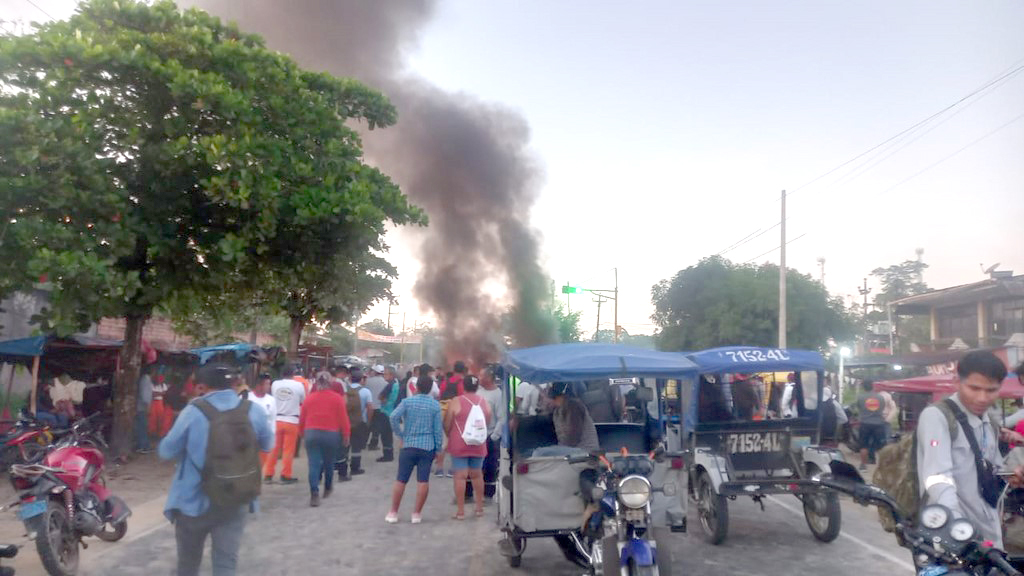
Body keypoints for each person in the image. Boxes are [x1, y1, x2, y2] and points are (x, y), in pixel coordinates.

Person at [159, 364, 273, 576]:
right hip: (236, 497)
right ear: (233, 384)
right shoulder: (253, 411)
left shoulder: (192, 412)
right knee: (226, 565)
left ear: (201, 386)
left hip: (193, 502)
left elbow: (165, 451)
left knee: (188, 565)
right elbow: (268, 445)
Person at [917, 350, 1024, 548]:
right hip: (954, 535)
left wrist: (1010, 475)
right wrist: (958, 528)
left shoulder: (988, 421)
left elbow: (991, 468)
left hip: (987, 529)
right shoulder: (937, 416)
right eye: (974, 388)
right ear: (957, 382)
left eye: (991, 390)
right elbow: (938, 478)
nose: (982, 398)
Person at [386, 374, 444, 524]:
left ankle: (393, 512)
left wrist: (400, 435)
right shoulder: (435, 405)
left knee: (401, 479)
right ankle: (416, 514)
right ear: (431, 388)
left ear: (416, 387)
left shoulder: (407, 402)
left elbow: (393, 417)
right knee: (423, 480)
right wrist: (438, 449)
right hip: (427, 446)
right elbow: (437, 430)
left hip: (408, 444)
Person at [443, 375, 491, 519]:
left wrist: (451, 435)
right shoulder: (484, 402)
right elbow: (487, 421)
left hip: (459, 443)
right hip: (478, 443)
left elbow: (447, 423)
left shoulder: (456, 401)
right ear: (477, 387)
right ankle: (479, 509)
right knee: (477, 475)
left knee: (460, 477)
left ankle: (460, 511)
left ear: (463, 386)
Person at [300, 373, 350, 507]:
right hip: (330, 434)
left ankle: (314, 493)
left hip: (311, 433)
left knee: (314, 464)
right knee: (329, 462)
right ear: (330, 383)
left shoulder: (309, 398)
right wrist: (346, 435)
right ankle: (328, 487)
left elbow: (302, 418)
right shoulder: (337, 398)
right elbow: (343, 419)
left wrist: (302, 434)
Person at [263, 366, 305, 484]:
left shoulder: (275, 384)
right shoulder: (299, 385)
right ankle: (285, 475)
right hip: (292, 420)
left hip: (276, 420)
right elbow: (302, 401)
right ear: (293, 374)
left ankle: (268, 474)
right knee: (288, 450)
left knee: (274, 449)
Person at [533, 382, 600, 456]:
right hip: (571, 449)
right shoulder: (557, 410)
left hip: (584, 450)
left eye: (542, 398)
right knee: (532, 452)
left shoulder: (573, 406)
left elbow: (572, 439)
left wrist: (556, 448)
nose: (541, 402)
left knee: (539, 453)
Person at [470, 368, 504, 501]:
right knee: (474, 465)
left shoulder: (498, 394)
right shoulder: (478, 391)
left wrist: (494, 436)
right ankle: (470, 492)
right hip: (475, 434)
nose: (479, 378)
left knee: (490, 466)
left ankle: (488, 493)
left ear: (489, 378)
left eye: (481, 375)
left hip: (489, 436)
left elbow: (502, 417)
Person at [345, 368, 374, 476]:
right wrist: (368, 421)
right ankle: (355, 468)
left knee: (345, 445)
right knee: (356, 446)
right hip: (360, 422)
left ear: (350, 379)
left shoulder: (345, 390)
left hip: (346, 422)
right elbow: (370, 407)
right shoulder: (366, 391)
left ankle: (342, 467)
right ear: (361, 379)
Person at [856, 379, 887, 470]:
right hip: (879, 423)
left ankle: (863, 465)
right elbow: (882, 408)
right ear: (873, 386)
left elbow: (859, 408)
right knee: (881, 446)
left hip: (865, 423)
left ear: (863, 387)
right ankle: (883, 466)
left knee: (863, 445)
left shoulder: (860, 397)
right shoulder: (880, 398)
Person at [249, 374, 276, 470]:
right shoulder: (247, 398)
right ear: (259, 385)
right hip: (250, 438)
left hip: (264, 439)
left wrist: (272, 437)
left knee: (259, 467)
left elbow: (273, 419)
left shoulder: (271, 400)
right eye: (267, 384)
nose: (269, 387)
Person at [376, 365, 400, 462]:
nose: (383, 376)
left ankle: (387, 456)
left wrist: (383, 400)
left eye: (385, 374)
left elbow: (381, 396)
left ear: (391, 375)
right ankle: (389, 454)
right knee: (388, 435)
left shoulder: (389, 385)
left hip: (385, 412)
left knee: (385, 435)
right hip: (393, 412)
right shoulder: (396, 384)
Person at [365, 364, 389, 451]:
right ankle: (373, 444)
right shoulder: (386, 383)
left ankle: (363, 443)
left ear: (375, 372)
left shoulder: (367, 381)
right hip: (379, 408)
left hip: (368, 407)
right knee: (376, 428)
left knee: (367, 425)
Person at [135, 366, 154, 453]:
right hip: (142, 407)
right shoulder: (146, 379)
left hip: (140, 406)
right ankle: (143, 446)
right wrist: (148, 406)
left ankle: (143, 445)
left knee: (141, 426)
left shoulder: (143, 378)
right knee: (143, 426)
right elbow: (145, 395)